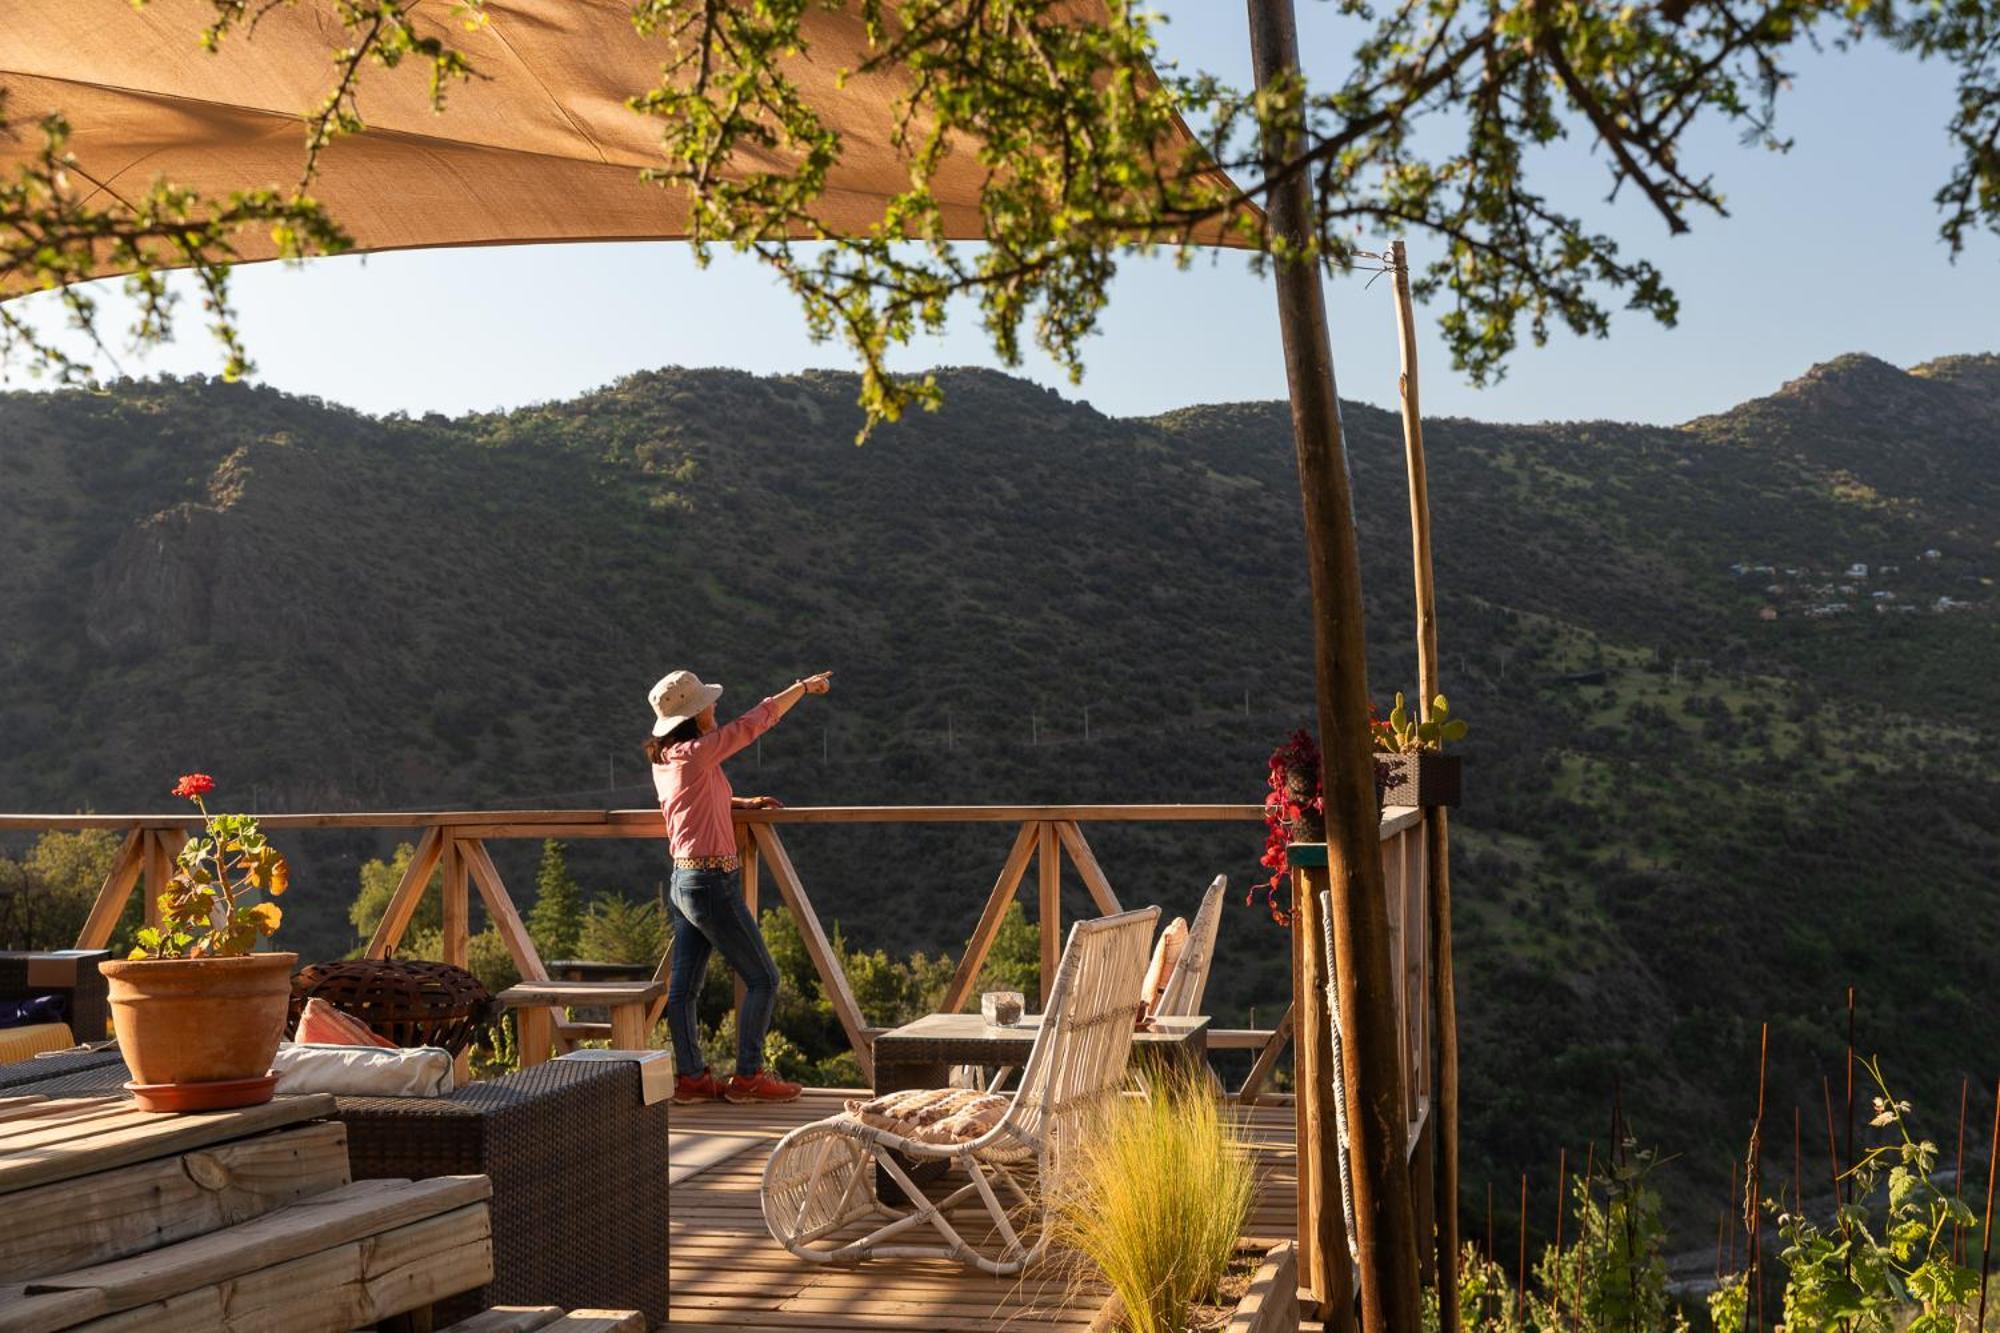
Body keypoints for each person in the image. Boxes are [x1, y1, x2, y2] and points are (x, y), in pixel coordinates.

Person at [645, 667, 832, 1104]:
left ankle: (691, 1078)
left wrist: (740, 803)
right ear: (694, 715)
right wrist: (801, 688)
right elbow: (755, 722)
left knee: (684, 988)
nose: (715, 707)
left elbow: (692, 801)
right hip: (712, 881)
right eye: (708, 704)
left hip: (684, 879)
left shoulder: (669, 759)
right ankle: (748, 1077)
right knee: (764, 978)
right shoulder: (698, 753)